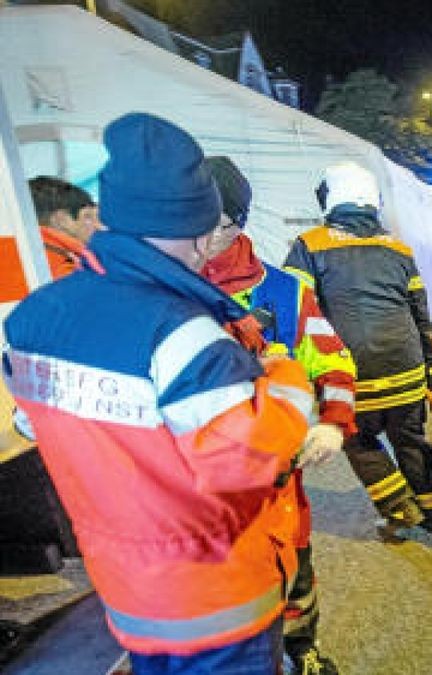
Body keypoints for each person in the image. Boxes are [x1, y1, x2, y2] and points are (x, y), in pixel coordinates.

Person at [2, 113, 312, 673]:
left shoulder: (33, 319)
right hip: (216, 599)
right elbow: (244, 462)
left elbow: (31, 426)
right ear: (198, 230)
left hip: (128, 594)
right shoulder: (182, 332)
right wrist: (284, 378)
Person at [200, 157, 355, 675]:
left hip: (275, 478)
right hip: (198, 483)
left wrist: (333, 421)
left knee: (293, 569)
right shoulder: (162, 287)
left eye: (209, 222)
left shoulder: (284, 291)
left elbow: (330, 358)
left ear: (236, 224)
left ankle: (300, 647)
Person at [284, 161, 432, 540]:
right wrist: (431, 367)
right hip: (406, 366)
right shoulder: (398, 247)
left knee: (357, 438)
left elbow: (293, 306)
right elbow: (420, 312)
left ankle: (398, 506)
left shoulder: (310, 244)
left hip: (354, 373)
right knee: (411, 440)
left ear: (330, 198)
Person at [27, 175, 103, 278]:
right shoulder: (64, 268)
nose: (98, 226)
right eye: (87, 216)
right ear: (61, 220)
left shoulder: (19, 254)